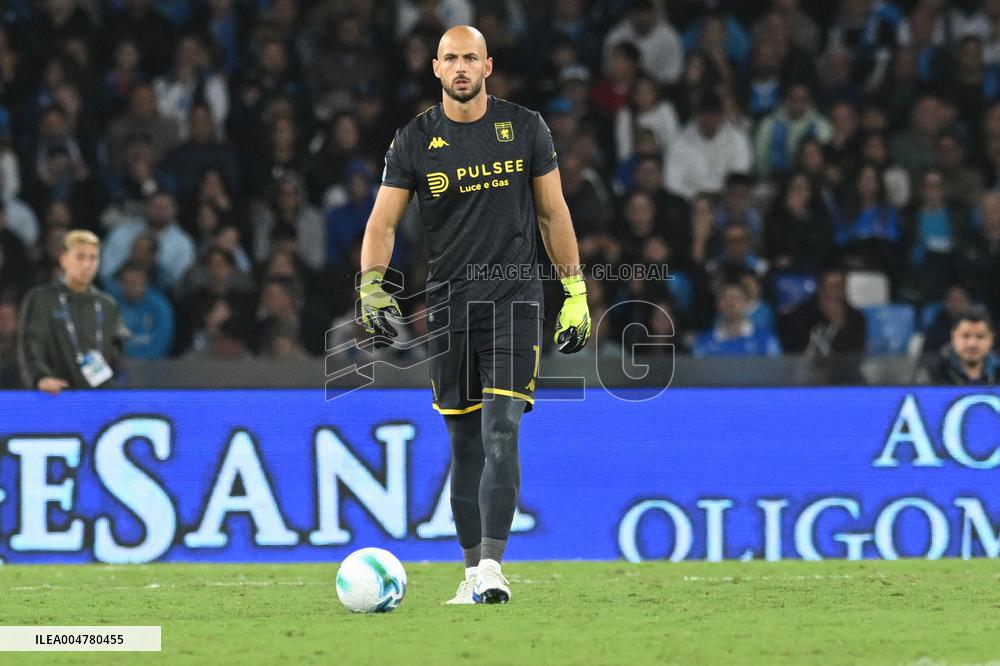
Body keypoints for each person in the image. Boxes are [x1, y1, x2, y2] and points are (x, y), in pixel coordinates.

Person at [357, 26, 590, 605]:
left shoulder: (526, 127)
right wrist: (370, 287)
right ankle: (470, 573)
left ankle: (492, 566)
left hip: (515, 298)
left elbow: (552, 213)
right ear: (435, 68)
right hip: (449, 305)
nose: (461, 67)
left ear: (489, 65)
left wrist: (576, 291)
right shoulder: (414, 139)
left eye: (471, 58)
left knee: (502, 428)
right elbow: (382, 223)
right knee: (464, 443)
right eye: (451, 59)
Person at [17, 230, 129, 395]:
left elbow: (117, 351)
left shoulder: (107, 304)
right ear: (64, 260)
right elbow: (31, 346)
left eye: (93, 258)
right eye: (80, 257)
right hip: (55, 395)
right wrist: (40, 377)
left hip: (99, 398)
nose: (87, 264)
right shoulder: (42, 300)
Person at [926, 308, 998, 385]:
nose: (972, 344)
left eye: (980, 337)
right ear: (953, 336)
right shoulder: (929, 373)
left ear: (992, 339)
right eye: (965, 336)